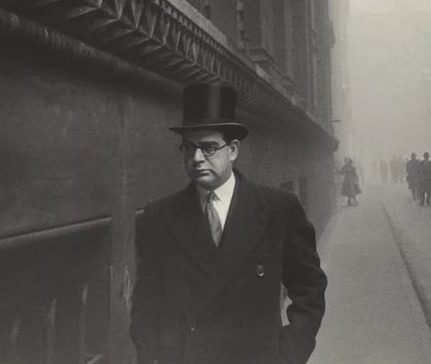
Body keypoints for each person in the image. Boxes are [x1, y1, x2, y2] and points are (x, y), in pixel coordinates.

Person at [130, 84, 327, 364]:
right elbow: (145, 303)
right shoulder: (159, 216)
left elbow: (309, 287)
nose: (197, 158)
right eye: (189, 147)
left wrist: (290, 354)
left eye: (208, 147)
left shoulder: (278, 209)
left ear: (233, 150)